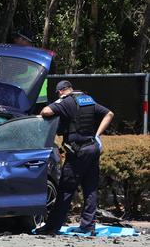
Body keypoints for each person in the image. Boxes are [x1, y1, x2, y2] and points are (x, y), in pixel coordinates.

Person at [37, 80, 114, 236]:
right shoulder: (87, 99)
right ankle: (88, 226)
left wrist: (58, 102)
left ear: (60, 91)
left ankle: (52, 227)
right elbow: (109, 114)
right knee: (90, 189)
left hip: (78, 151)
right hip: (93, 148)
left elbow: (45, 112)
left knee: (66, 189)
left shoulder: (66, 102)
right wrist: (97, 135)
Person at [12, 28, 49, 104]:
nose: (15, 40)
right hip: (38, 97)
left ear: (25, 40)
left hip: (27, 97)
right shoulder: (39, 54)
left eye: (18, 38)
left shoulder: (24, 55)